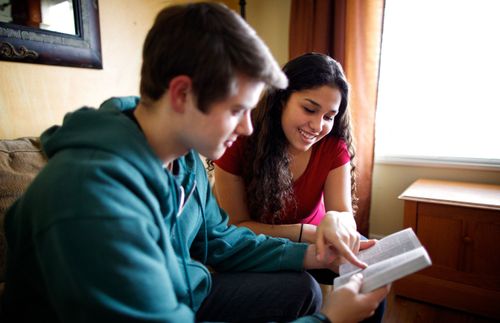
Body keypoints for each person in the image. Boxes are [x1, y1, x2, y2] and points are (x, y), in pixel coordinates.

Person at [1, 3, 389, 323]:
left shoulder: (183, 159)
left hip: (184, 289)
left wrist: (310, 254)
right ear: (182, 94)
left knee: (304, 286)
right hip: (159, 306)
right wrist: (328, 321)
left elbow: (220, 238)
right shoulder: (91, 204)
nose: (248, 127)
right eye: (237, 109)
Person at [212, 52, 386, 321]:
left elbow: (343, 214)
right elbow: (236, 226)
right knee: (302, 289)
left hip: (316, 238)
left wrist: (336, 223)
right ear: (281, 99)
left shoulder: (332, 148)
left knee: (373, 270)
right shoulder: (239, 143)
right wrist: (308, 232)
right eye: (309, 109)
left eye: (329, 116)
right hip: (259, 244)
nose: (318, 126)